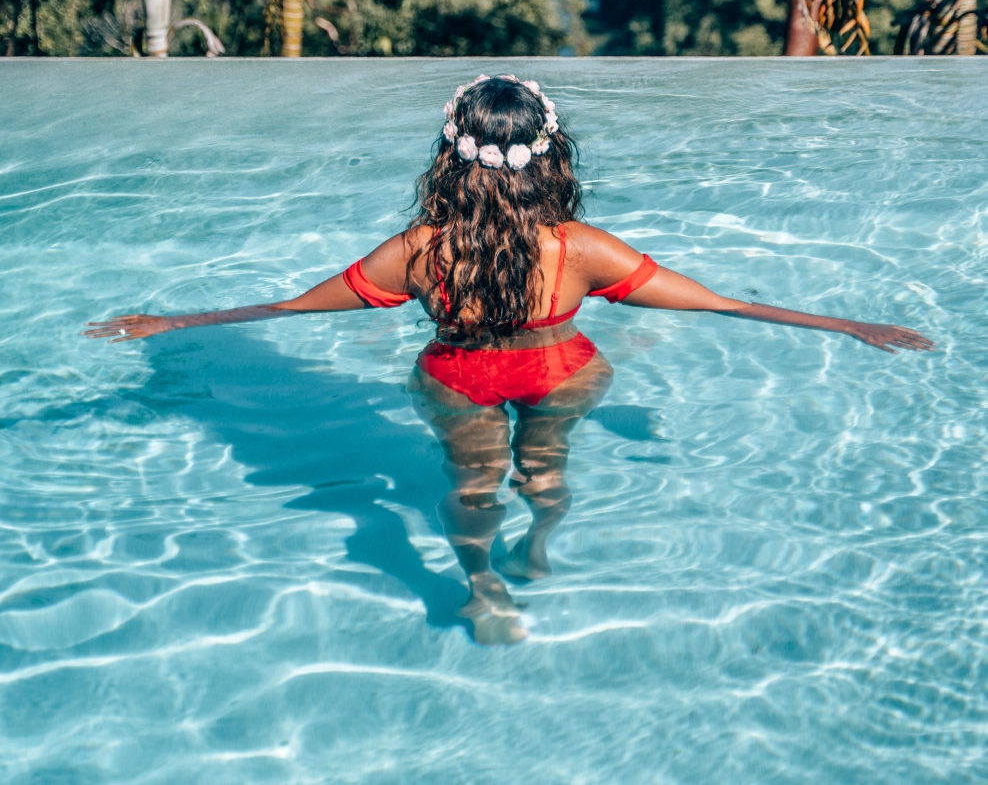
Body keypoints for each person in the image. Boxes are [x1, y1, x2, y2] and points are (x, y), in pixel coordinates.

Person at [85, 74, 934, 644]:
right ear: (552, 155)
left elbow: (297, 306)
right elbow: (718, 300)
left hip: (461, 381)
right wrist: (844, 325)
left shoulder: (419, 251)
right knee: (546, 472)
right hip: (564, 372)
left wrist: (178, 323)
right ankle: (542, 549)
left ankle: (484, 584)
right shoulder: (581, 247)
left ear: (449, 159)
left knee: (470, 487)